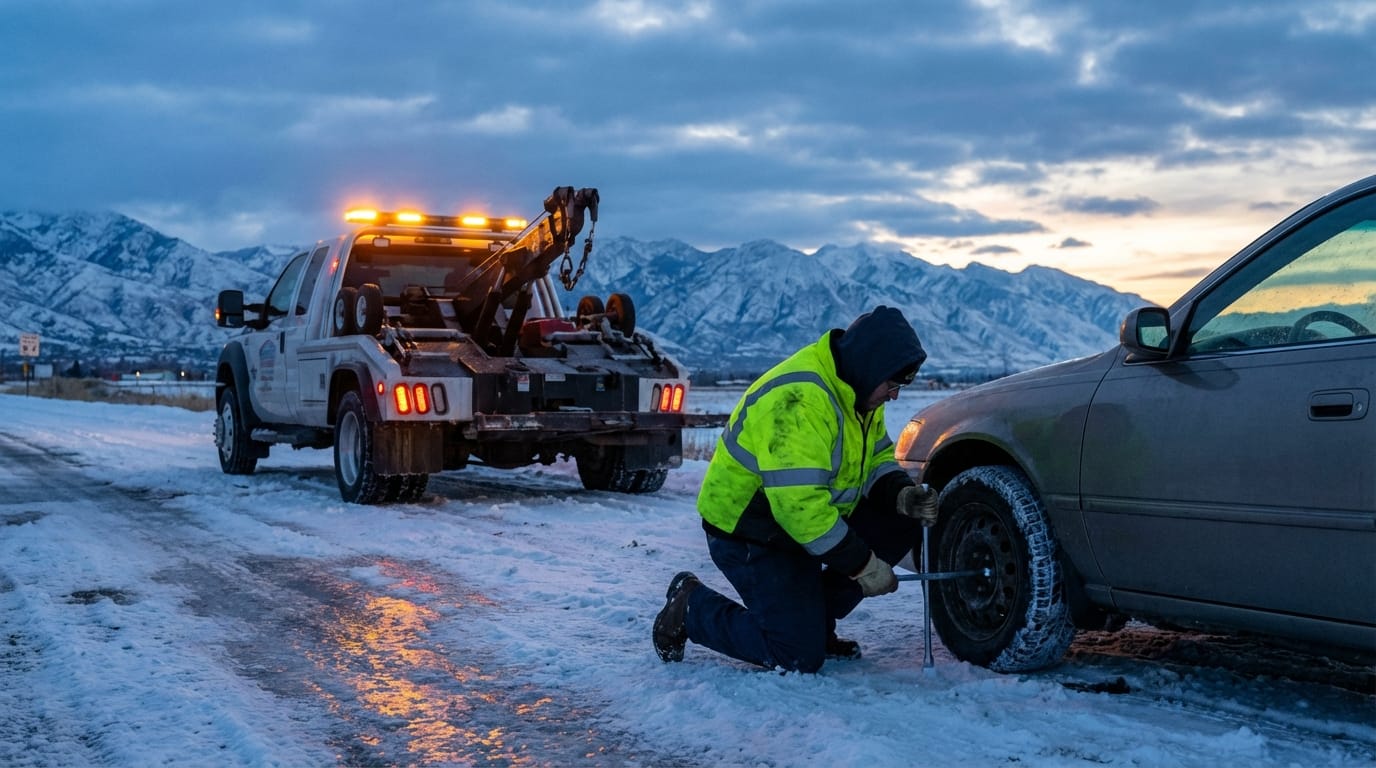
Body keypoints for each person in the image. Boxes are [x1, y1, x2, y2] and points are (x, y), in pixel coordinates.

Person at [653, 305, 938, 672]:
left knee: (900, 521)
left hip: (798, 526)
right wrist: (863, 566)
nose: (895, 396)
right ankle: (691, 607)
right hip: (752, 532)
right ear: (872, 366)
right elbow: (801, 509)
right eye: (893, 385)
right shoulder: (801, 401)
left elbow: (876, 457)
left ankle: (813, 621)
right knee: (797, 654)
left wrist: (900, 493)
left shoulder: (859, 393)